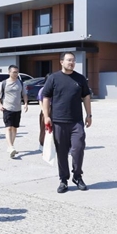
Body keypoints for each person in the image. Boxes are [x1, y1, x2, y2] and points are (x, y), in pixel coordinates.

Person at [42, 53, 91, 193]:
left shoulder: (80, 78)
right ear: (61, 62)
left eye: (73, 60)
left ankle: (77, 176)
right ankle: (63, 179)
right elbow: (46, 97)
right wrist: (46, 116)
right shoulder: (53, 78)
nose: (72, 62)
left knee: (78, 148)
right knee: (61, 152)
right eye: (69, 60)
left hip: (76, 121)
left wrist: (89, 114)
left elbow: (86, 96)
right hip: (58, 121)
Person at [0, 65, 28, 158]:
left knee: (14, 128)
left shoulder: (20, 83)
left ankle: (11, 146)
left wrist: (26, 103)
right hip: (7, 108)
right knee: (8, 127)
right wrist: (0, 104)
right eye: (14, 72)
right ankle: (11, 147)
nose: (16, 74)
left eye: (17, 72)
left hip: (17, 108)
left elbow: (24, 94)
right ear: (9, 72)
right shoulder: (4, 83)